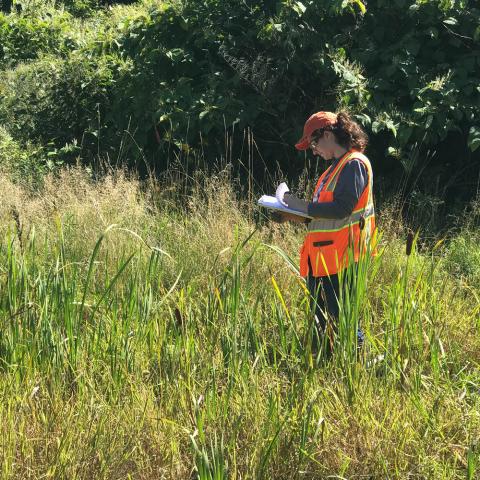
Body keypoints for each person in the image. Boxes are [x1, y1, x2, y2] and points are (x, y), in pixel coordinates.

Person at [272, 111, 377, 360]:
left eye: (314, 143)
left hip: (345, 257)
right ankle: (326, 363)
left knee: (343, 317)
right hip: (323, 257)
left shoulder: (354, 164)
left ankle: (360, 365)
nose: (313, 150)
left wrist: (298, 204)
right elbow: (321, 217)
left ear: (328, 135)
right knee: (321, 317)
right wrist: (288, 214)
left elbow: (341, 210)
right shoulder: (333, 170)